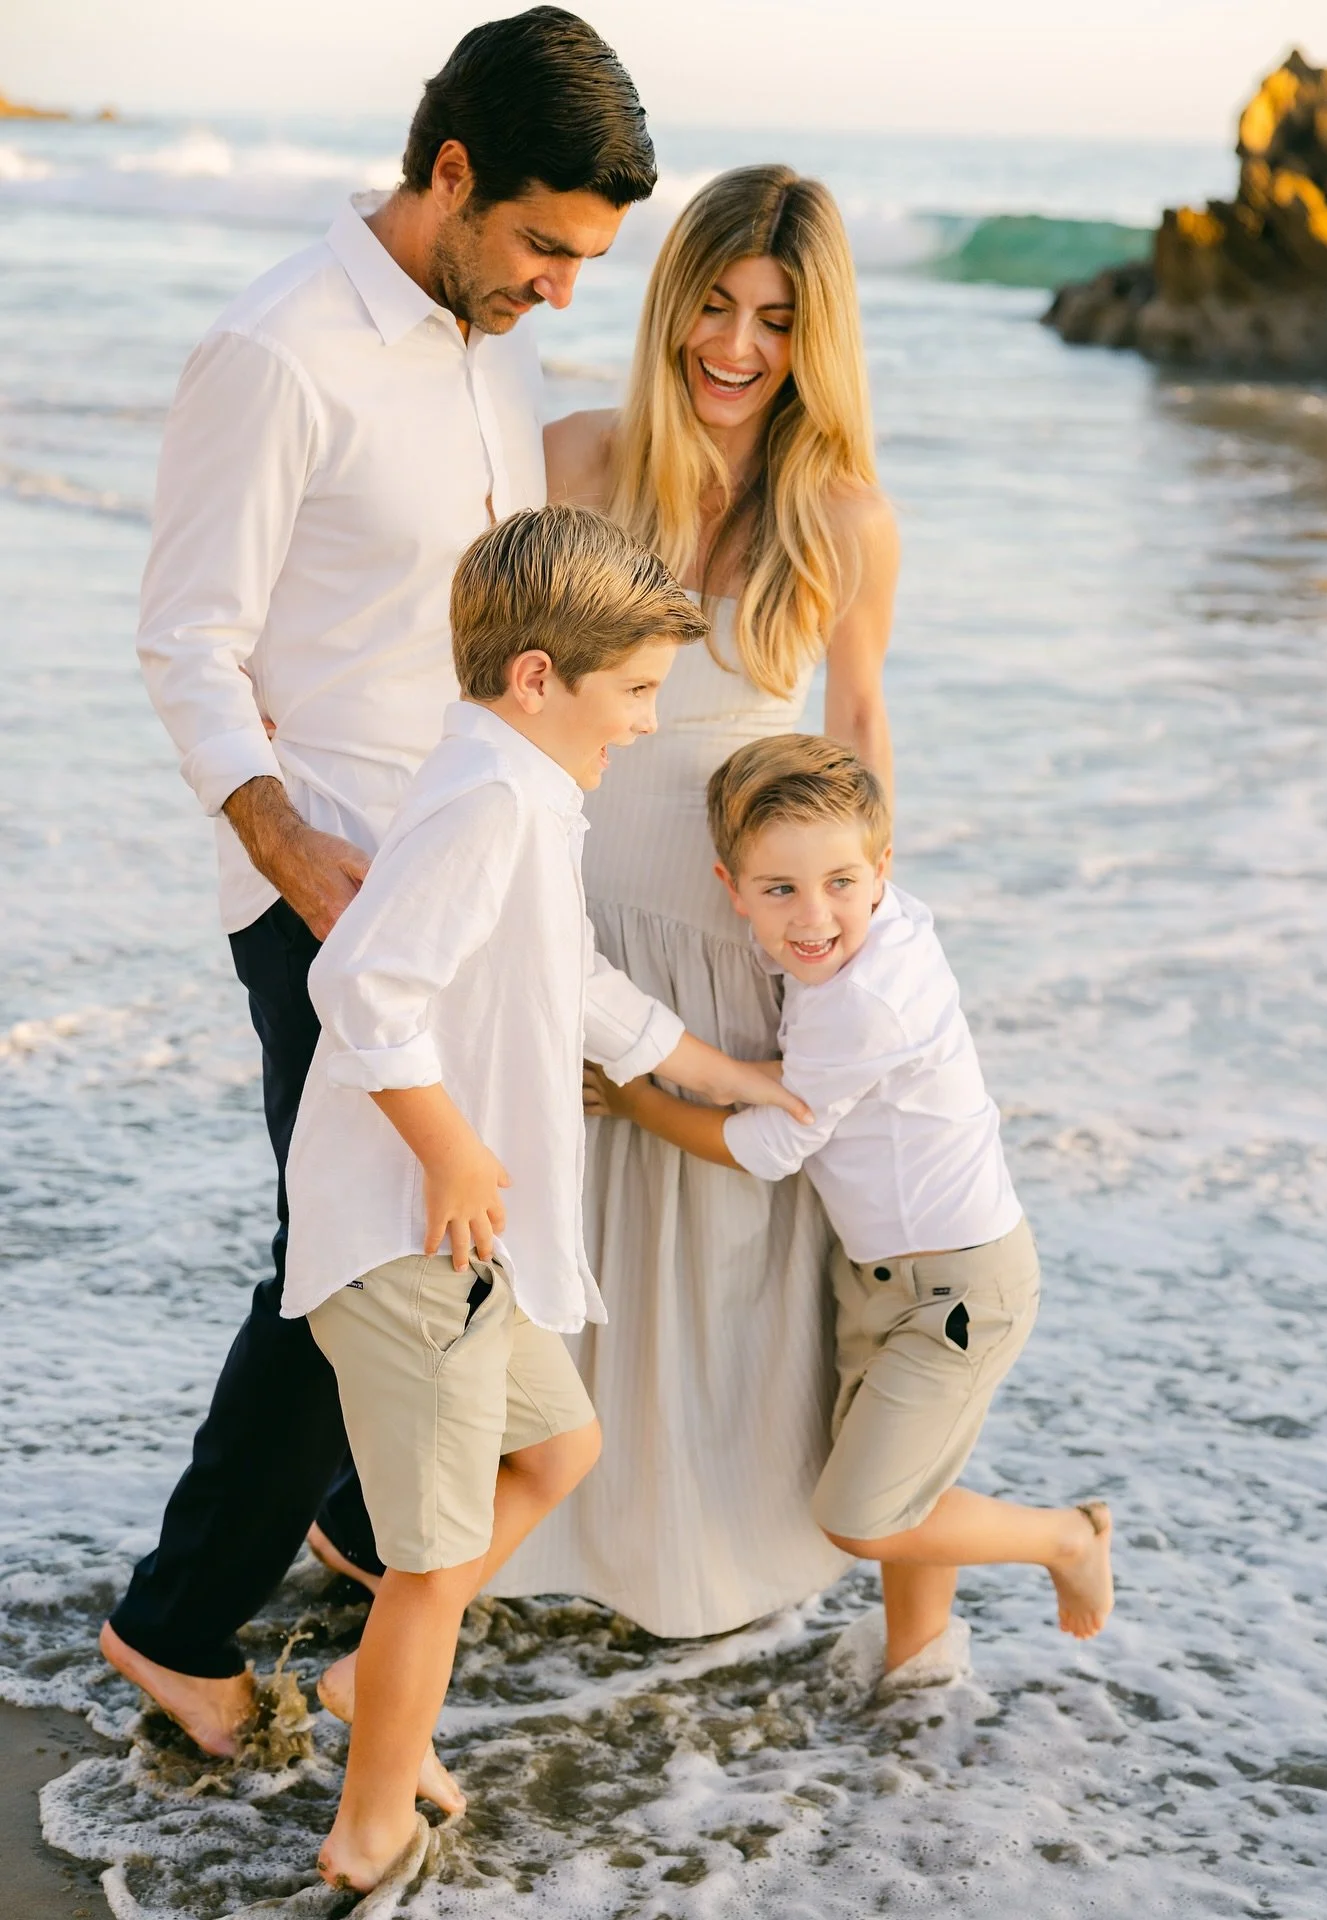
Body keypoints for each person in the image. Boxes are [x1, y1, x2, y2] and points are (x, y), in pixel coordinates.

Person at [102, 7, 658, 1757]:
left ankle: (352, 1527)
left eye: (592, 261)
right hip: (329, 891)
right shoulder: (277, 352)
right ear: (452, 173)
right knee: (341, 1253)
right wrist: (280, 841)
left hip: (469, 881)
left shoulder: (484, 339)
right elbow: (187, 641)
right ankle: (179, 1629)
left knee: (423, 1232)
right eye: (548, 248)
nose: (564, 289)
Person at [277, 508, 810, 1891]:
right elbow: (359, 985)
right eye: (634, 690)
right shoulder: (486, 799)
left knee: (556, 1456)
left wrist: (727, 1074)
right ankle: (367, 1823)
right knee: (437, 1561)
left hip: (467, 1246)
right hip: (412, 1240)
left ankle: (371, 1686)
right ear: (534, 676)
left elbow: (573, 985)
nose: (647, 721)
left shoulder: (522, 788)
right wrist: (451, 1149)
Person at [496, 164, 901, 1635]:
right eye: (715, 305)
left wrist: (859, 957)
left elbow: (858, 735)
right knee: (571, 1236)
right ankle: (536, 1551)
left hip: (739, 935)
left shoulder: (843, 518)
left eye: (776, 320)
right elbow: (482, 690)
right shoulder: (579, 461)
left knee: (724, 1261)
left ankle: (703, 1566)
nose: (736, 345)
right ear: (671, 301)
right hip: (581, 926)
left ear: (818, 335)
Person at [585, 734, 1115, 1692]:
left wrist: (634, 1101)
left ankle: (1064, 1537)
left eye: (838, 882)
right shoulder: (885, 931)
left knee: (865, 1517)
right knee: (913, 1484)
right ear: (729, 886)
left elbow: (769, 1145)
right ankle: (919, 1673)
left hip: (956, 1290)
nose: (814, 916)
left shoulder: (858, 1002)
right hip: (886, 1274)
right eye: (779, 889)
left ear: (881, 871)